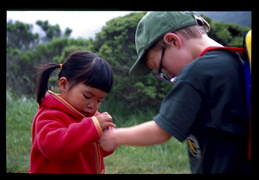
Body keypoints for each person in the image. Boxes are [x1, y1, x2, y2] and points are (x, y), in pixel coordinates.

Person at [99, 11, 251, 173]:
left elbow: (161, 131)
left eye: (161, 67)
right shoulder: (235, 60)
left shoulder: (197, 72)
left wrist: (114, 137)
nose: (169, 75)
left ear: (173, 40)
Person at [29, 50, 115, 174]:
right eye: (87, 96)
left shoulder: (91, 116)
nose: (93, 105)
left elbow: (99, 151)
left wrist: (108, 136)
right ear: (63, 85)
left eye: (99, 100)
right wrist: (93, 127)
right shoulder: (50, 115)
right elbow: (53, 149)